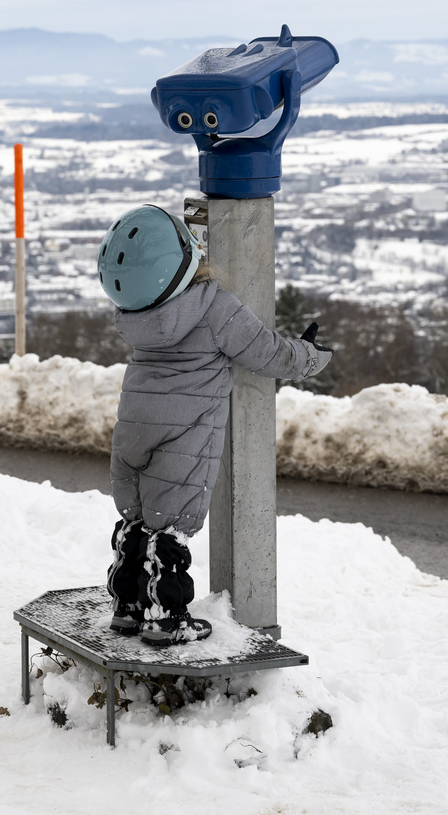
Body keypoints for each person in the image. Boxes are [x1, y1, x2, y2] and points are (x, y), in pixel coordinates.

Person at [97, 205, 332, 646]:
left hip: (134, 426)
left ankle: (128, 607)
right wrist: (311, 355)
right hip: (183, 437)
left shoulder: (135, 316)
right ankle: (166, 620)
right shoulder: (213, 307)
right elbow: (269, 355)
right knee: (169, 528)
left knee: (138, 521)